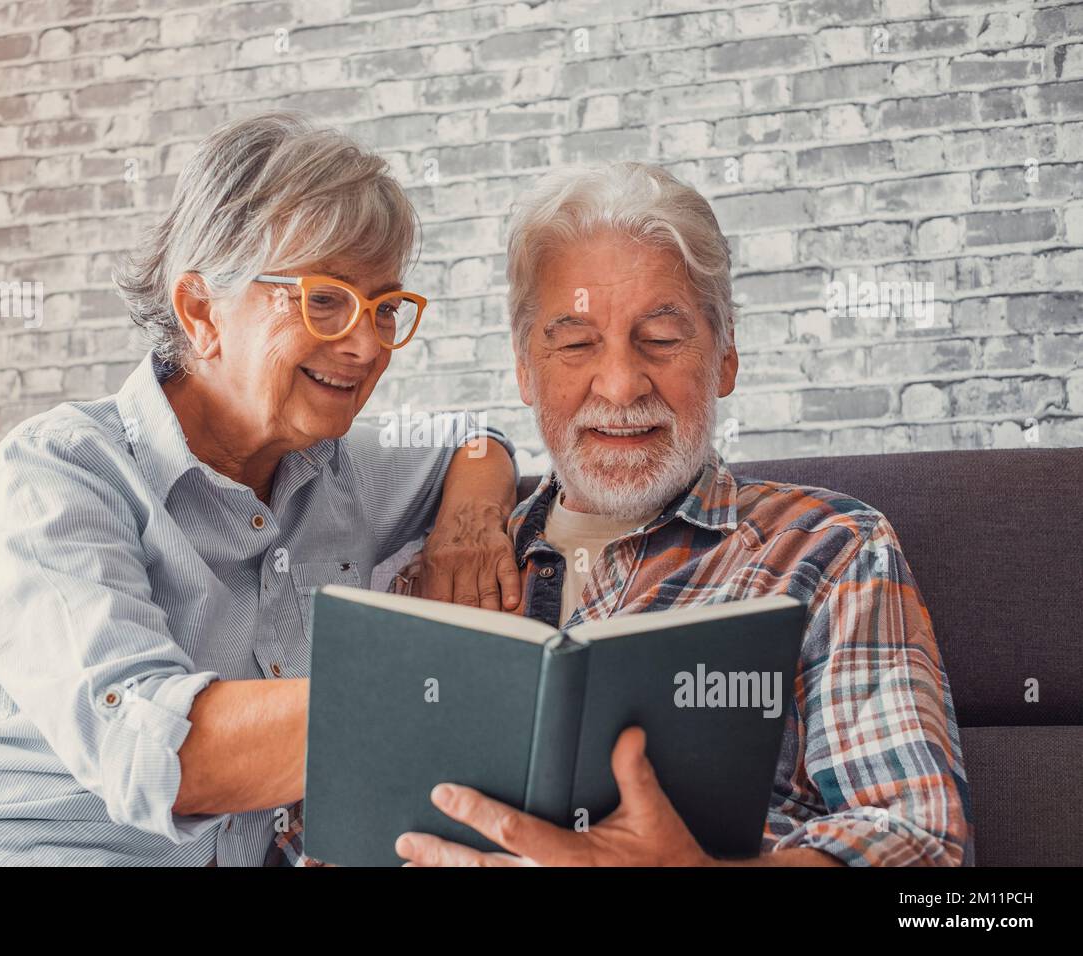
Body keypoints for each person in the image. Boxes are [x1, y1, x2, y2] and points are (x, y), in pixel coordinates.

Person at [0, 112, 522, 867]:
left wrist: (469, 517)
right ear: (201, 311)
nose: (367, 344)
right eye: (324, 299)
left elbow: (477, 442)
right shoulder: (59, 474)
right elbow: (164, 753)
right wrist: (448, 699)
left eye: (385, 308)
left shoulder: (335, 467)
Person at [292, 162, 972, 867]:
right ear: (526, 369)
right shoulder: (434, 578)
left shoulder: (830, 552)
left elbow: (920, 845)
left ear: (726, 357)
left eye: (661, 337)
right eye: (577, 342)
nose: (619, 385)